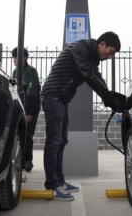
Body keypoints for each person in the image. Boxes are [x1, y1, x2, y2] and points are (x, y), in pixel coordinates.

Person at [41, 31, 126, 201]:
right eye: (110, 53)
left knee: (62, 141)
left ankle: (59, 181)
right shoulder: (81, 48)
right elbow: (88, 74)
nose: (109, 57)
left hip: (61, 100)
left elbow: (96, 76)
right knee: (54, 141)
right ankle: (52, 184)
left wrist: (110, 96)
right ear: (102, 43)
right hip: (52, 96)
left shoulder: (91, 58)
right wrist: (106, 96)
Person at [12, 47, 41, 172]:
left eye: (16, 57)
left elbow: (31, 92)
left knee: (28, 135)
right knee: (19, 135)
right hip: (20, 109)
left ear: (24, 57)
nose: (14, 60)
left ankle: (28, 161)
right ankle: (19, 160)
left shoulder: (31, 72)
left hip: (30, 110)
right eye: (13, 57)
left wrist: (28, 112)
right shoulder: (15, 72)